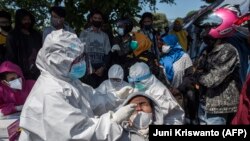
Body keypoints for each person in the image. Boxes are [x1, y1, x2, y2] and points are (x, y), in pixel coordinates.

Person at [19, 30, 137, 141]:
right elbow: (79, 134)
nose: (82, 62)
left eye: (82, 57)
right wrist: (114, 121)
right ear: (60, 62)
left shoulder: (67, 79)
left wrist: (115, 97)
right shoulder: (50, 94)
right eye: (77, 59)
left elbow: (91, 99)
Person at [193, 6, 241, 125]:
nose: (205, 31)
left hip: (218, 106)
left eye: (208, 27)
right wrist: (197, 73)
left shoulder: (228, 50)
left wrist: (196, 75)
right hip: (205, 102)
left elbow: (211, 80)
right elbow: (196, 67)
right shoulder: (209, 49)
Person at [5, 9, 42, 80]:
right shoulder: (13, 36)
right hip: (21, 74)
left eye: (29, 19)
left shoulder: (36, 34)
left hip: (38, 73)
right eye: (24, 19)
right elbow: (11, 57)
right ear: (19, 20)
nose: (27, 21)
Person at [79, 10, 111, 88]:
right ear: (91, 19)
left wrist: (103, 68)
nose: (97, 20)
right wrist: (89, 67)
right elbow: (80, 52)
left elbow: (108, 53)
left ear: (102, 20)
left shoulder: (105, 36)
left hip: (101, 71)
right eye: (95, 18)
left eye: (99, 18)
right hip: (87, 71)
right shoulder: (84, 33)